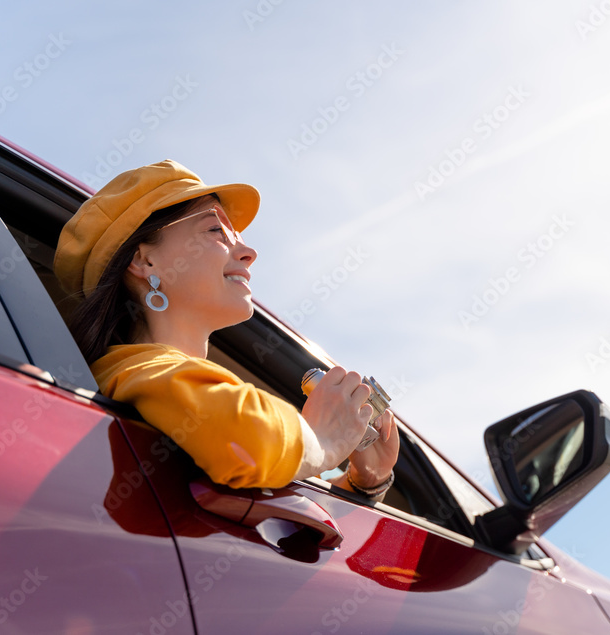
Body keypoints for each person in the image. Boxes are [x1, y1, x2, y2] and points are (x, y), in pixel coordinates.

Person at [52, 159, 399, 499]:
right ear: (145, 261)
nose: (249, 252)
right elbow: (246, 437)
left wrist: (366, 479)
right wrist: (321, 439)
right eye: (216, 229)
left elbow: (269, 506)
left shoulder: (154, 380)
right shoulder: (137, 371)